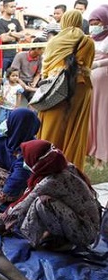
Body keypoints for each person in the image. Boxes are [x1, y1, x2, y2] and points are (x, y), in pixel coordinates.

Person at [0, 140, 101, 251]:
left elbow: (24, 204)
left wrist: (0, 219)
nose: (24, 162)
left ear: (37, 161)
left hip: (85, 233)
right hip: (86, 224)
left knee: (41, 203)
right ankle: (57, 238)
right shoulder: (63, 166)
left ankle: (55, 241)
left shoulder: (53, 180)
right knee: (39, 203)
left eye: (26, 158)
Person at [35, 10, 94, 172]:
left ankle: (45, 166)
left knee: (51, 127)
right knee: (74, 129)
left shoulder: (54, 41)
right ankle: (70, 169)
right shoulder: (86, 42)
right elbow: (86, 65)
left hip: (54, 88)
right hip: (79, 88)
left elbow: (45, 69)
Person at [87, 5, 108, 170]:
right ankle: (91, 150)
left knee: (102, 115)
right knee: (91, 115)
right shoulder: (92, 38)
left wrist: (98, 64)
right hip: (91, 82)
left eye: (97, 22)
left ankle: (101, 156)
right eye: (92, 22)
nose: (94, 25)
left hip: (104, 81)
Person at [10, 37, 44, 103]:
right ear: (37, 48)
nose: (44, 51)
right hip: (18, 81)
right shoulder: (20, 56)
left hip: (30, 83)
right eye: (43, 49)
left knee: (34, 101)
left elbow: (38, 74)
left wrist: (34, 82)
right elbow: (13, 74)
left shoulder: (40, 58)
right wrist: (25, 86)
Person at [0, 0, 23, 72]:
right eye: (11, 7)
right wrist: (16, 36)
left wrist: (10, 34)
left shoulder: (15, 21)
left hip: (15, 55)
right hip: (4, 56)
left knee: (14, 77)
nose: (14, 8)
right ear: (4, 8)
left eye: (14, 6)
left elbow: (22, 35)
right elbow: (3, 38)